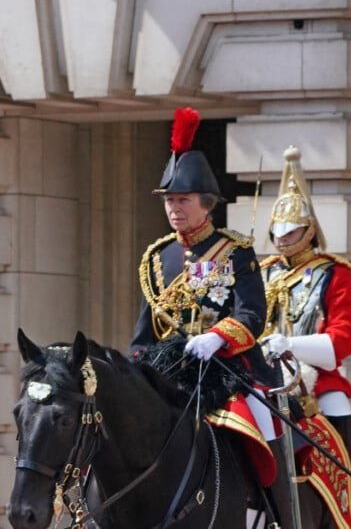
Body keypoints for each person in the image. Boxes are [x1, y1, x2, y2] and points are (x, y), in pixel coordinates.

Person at [129, 107, 292, 528]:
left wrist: (219, 337)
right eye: (169, 200)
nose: (173, 209)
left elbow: (253, 314)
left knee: (264, 428)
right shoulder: (157, 257)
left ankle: (277, 514)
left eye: (182, 200)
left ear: (207, 204)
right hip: (171, 371)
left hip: (228, 368)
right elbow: (145, 332)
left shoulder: (235, 251)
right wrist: (138, 368)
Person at [261, 145, 351, 527]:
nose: (282, 238)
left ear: (309, 232)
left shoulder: (333, 273)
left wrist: (292, 346)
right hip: (264, 377)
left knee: (340, 412)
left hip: (316, 379)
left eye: (290, 231)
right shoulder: (263, 273)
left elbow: (346, 335)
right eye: (278, 231)